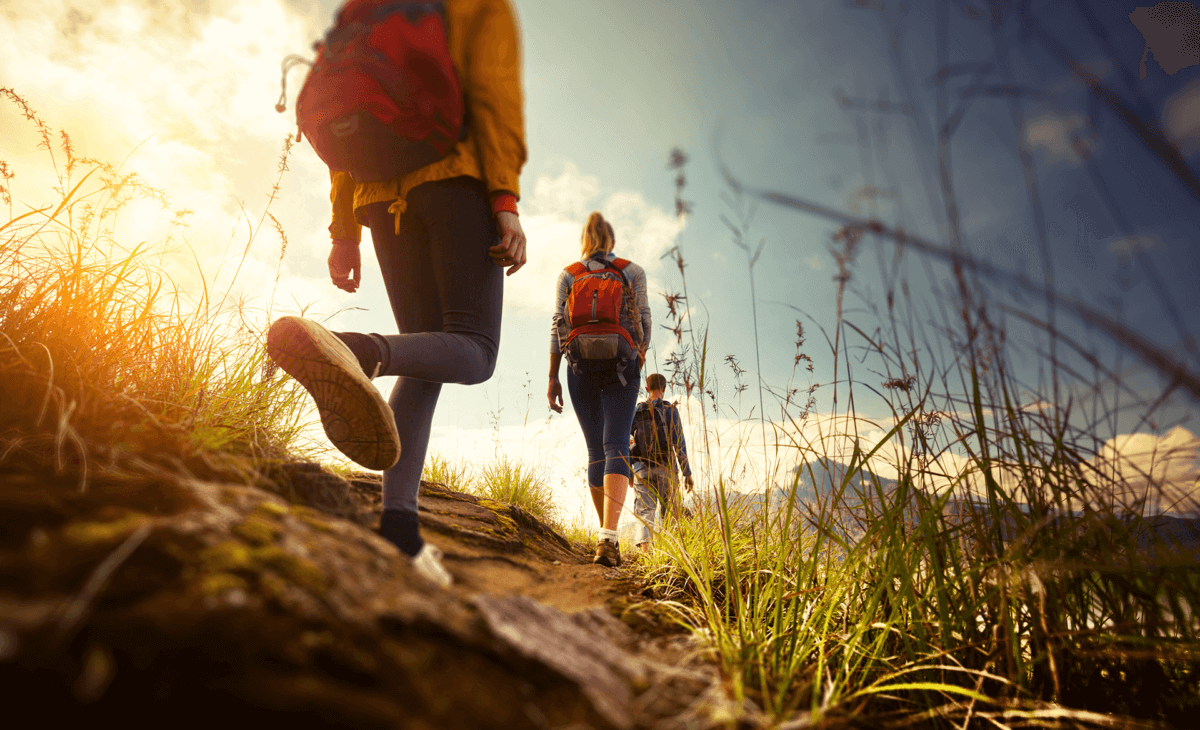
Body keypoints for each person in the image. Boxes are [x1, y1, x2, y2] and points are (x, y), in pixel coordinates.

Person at [266, 0, 526, 589]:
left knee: (426, 356)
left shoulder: (368, 10)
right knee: (475, 350)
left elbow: (345, 130)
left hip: (378, 199)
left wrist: (344, 233)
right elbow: (494, 99)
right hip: (455, 181)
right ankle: (357, 351)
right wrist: (505, 203)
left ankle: (400, 532)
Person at [547, 212, 651, 568]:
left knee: (596, 451)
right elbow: (645, 320)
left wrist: (553, 376)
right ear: (612, 240)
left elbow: (556, 326)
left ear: (585, 240)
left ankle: (605, 535)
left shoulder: (569, 274)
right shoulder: (631, 271)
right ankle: (609, 535)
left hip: (579, 369)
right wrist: (637, 359)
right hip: (623, 367)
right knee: (616, 445)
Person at [630, 373, 694, 552]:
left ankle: (646, 555)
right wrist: (686, 472)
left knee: (645, 511)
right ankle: (670, 554)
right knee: (670, 512)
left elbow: (629, 441)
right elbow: (679, 442)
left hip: (641, 469)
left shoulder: (636, 410)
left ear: (647, 388)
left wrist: (629, 472)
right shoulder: (670, 410)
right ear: (664, 388)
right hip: (667, 468)